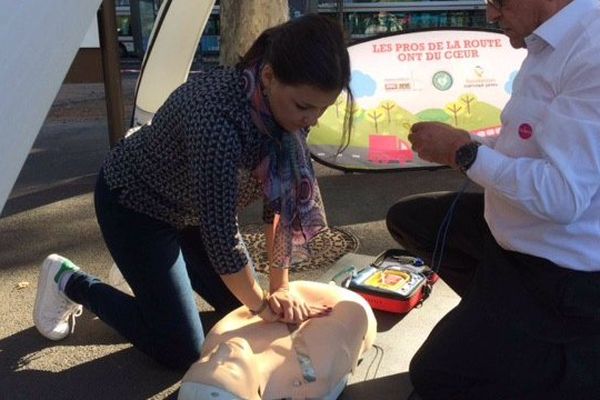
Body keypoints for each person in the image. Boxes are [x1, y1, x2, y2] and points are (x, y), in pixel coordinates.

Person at [32, 14, 354, 371]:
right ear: (268, 77)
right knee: (182, 349)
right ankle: (70, 281)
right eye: (305, 107)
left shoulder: (286, 114)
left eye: (323, 108)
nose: (312, 120)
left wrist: (279, 286)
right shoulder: (217, 119)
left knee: (239, 310)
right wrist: (263, 306)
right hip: (135, 206)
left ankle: (149, 273)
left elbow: (278, 207)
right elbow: (221, 235)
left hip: (190, 214)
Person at [385, 0, 600, 398]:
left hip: (558, 271)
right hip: (512, 236)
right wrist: (473, 146)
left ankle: (569, 354)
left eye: (498, 1)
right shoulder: (549, 39)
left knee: (436, 374)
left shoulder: (592, 49)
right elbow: (528, 145)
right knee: (410, 219)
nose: (490, 15)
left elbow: (562, 197)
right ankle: (500, 319)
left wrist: (463, 154)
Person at [177, 281, 377, 400]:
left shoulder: (214, 340)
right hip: (341, 302)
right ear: (254, 391)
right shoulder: (311, 371)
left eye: (205, 360)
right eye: (228, 367)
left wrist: (273, 298)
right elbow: (355, 317)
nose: (222, 351)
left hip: (295, 293)